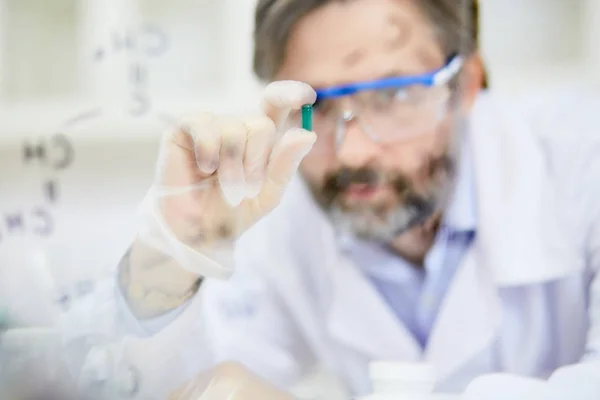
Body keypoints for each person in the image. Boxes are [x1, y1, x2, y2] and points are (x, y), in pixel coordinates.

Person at [112, 0, 600, 397]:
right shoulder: (284, 213)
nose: (352, 152)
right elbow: (192, 380)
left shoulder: (582, 163)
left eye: (390, 96)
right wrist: (173, 257)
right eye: (316, 107)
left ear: (466, 85)